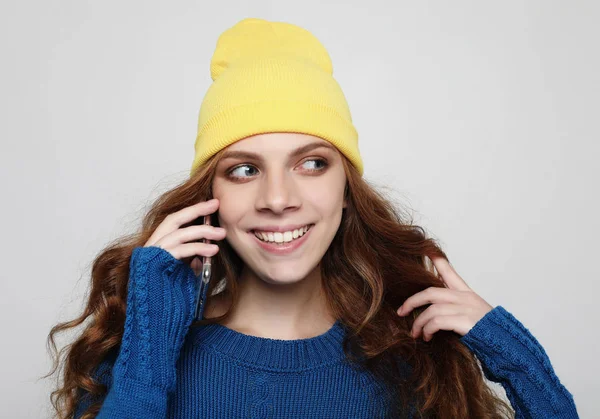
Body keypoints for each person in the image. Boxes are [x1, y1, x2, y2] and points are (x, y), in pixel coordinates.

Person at [46, 18, 579, 418]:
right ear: (209, 198)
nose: (278, 198)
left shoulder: (412, 365)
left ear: (347, 190)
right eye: (244, 169)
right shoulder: (144, 357)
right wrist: (149, 347)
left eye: (312, 163)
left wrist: (511, 355)